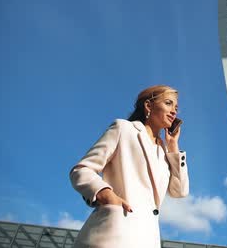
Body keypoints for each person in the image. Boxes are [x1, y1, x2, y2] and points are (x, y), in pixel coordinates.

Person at [70, 85, 189, 248]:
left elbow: (180, 191)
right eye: (168, 103)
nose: (174, 111)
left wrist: (173, 147)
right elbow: (82, 170)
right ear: (148, 106)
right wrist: (105, 194)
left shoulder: (163, 152)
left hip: (146, 240)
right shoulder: (124, 128)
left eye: (176, 107)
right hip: (113, 235)